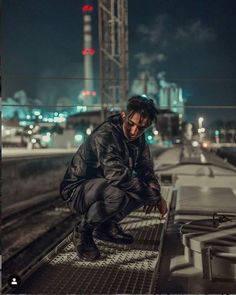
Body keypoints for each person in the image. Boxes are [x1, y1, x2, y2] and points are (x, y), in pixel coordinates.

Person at [60, 95, 167, 261]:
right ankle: (82, 233)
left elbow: (145, 168)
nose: (134, 132)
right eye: (131, 124)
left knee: (144, 189)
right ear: (124, 115)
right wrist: (151, 195)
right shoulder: (106, 134)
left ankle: (106, 226)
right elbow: (116, 176)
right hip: (77, 190)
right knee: (121, 192)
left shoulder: (139, 138)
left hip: (103, 186)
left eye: (141, 128)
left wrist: (156, 193)